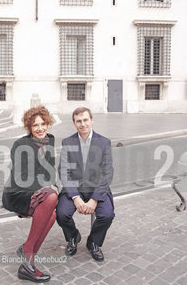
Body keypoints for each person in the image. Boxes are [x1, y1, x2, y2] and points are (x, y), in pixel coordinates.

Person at [2, 106, 58, 283]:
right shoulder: (21, 145)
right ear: (29, 128)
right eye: (35, 125)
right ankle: (27, 252)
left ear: (48, 123)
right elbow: (21, 178)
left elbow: (50, 172)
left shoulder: (50, 141)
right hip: (17, 192)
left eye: (43, 124)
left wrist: (51, 185)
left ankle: (27, 259)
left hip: (36, 191)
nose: (40, 128)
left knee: (53, 214)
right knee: (51, 197)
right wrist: (47, 188)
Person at [56, 107, 115, 262]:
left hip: (97, 188)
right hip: (74, 188)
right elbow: (64, 171)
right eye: (79, 121)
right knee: (61, 214)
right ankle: (73, 236)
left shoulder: (104, 142)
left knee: (107, 215)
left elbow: (107, 173)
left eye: (85, 120)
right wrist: (75, 197)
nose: (83, 124)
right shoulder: (67, 142)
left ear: (91, 120)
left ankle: (94, 242)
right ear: (74, 123)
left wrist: (94, 199)